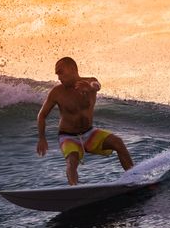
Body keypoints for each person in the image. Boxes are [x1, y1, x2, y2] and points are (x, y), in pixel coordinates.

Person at [36, 57, 134, 185]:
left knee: (118, 142)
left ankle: (134, 177)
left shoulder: (90, 82)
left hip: (90, 133)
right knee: (72, 160)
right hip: (68, 136)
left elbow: (97, 86)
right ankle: (74, 190)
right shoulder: (57, 92)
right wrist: (42, 138)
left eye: (61, 72)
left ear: (72, 69)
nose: (59, 77)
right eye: (57, 74)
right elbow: (41, 115)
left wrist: (89, 88)